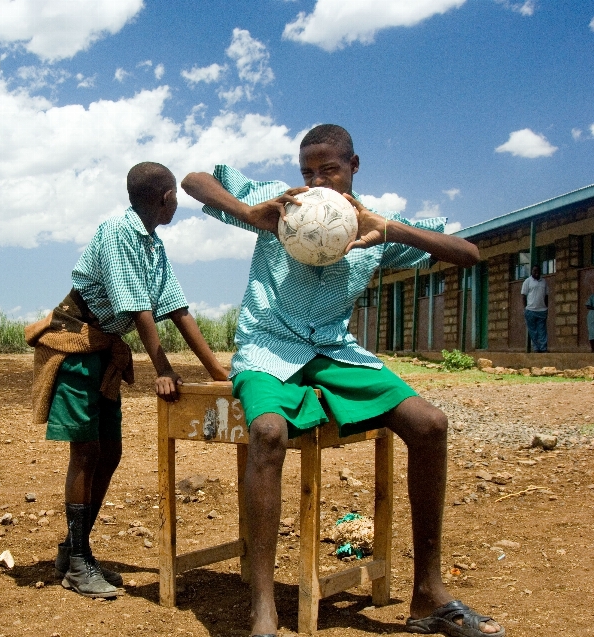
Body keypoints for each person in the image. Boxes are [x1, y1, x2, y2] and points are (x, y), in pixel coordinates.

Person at [182, 124, 504, 637]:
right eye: (307, 170)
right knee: (266, 432)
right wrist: (251, 215)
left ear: (355, 165)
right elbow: (193, 180)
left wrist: (393, 230)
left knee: (430, 424)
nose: (316, 179)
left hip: (333, 350)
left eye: (327, 168)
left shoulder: (371, 226)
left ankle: (427, 593)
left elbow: (468, 254)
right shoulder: (283, 204)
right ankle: (263, 608)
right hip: (269, 346)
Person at [25, 161, 229, 599]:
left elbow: (177, 308)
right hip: (75, 347)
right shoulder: (119, 232)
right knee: (87, 452)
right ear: (166, 198)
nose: (177, 202)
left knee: (110, 453)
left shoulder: (153, 244)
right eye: (175, 195)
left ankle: (71, 550)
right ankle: (79, 563)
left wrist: (219, 374)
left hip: (103, 351)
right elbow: (138, 308)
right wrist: (164, 371)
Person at [521, 265, 549, 353]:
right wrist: (525, 308)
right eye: (534, 271)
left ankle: (543, 348)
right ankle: (536, 348)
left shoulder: (543, 282)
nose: (536, 273)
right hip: (530, 310)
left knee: (542, 330)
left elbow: (546, 295)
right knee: (533, 331)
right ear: (531, 272)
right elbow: (523, 295)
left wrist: (546, 307)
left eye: (538, 271)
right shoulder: (527, 281)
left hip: (542, 310)